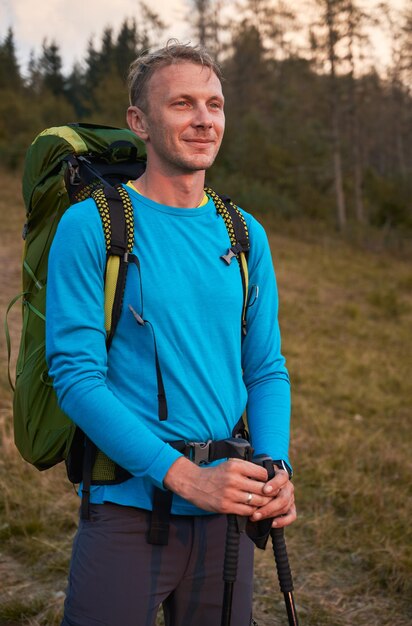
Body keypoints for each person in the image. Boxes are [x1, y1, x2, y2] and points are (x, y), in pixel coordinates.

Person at [46, 41, 296, 626]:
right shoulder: (93, 226)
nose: (204, 119)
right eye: (183, 103)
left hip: (227, 514)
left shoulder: (243, 233)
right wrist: (186, 479)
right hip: (128, 509)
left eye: (215, 103)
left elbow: (265, 369)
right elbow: (76, 377)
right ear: (141, 122)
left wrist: (275, 467)